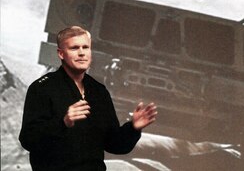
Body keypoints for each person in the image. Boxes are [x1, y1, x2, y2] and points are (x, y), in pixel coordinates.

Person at [19, 26, 157, 171]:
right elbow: (28, 140)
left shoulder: (99, 92)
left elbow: (115, 145)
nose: (81, 53)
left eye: (86, 47)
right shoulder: (42, 89)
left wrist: (133, 128)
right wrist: (63, 122)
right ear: (61, 53)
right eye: (74, 48)